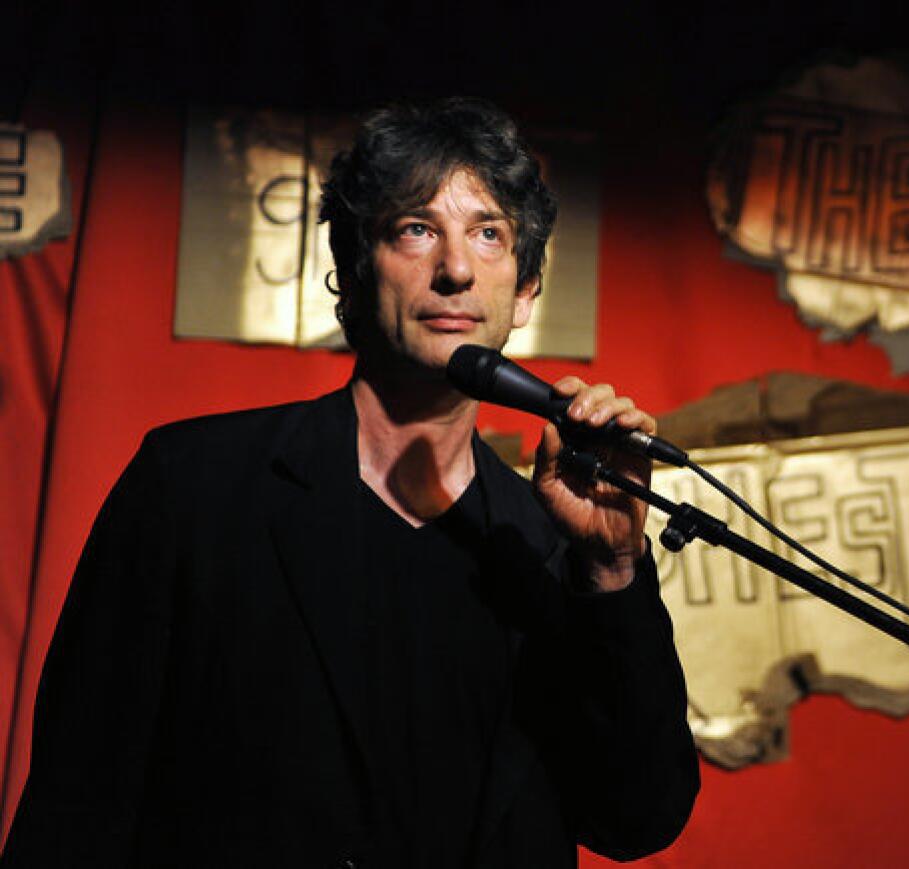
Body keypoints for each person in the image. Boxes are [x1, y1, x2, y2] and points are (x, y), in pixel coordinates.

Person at [2, 98, 699, 868]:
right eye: (416, 228)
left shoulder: (557, 540)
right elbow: (77, 803)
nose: (456, 268)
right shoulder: (194, 488)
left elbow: (638, 817)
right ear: (356, 267)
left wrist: (613, 570)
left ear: (525, 289)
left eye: (489, 234)